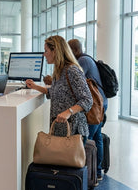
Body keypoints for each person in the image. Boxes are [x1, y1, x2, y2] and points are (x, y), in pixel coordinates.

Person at [26, 35, 93, 144]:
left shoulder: (72, 70)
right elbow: (53, 92)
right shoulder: (59, 71)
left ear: (55, 51)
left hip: (74, 131)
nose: (44, 54)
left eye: (46, 51)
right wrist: (34, 86)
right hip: (60, 130)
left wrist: (68, 112)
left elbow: (87, 100)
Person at [68, 38, 108, 181]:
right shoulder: (87, 59)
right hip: (100, 102)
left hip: (95, 105)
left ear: (74, 50)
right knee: (97, 138)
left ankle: (89, 176)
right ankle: (96, 173)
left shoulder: (83, 61)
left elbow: (75, 80)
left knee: (88, 139)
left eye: (68, 50)